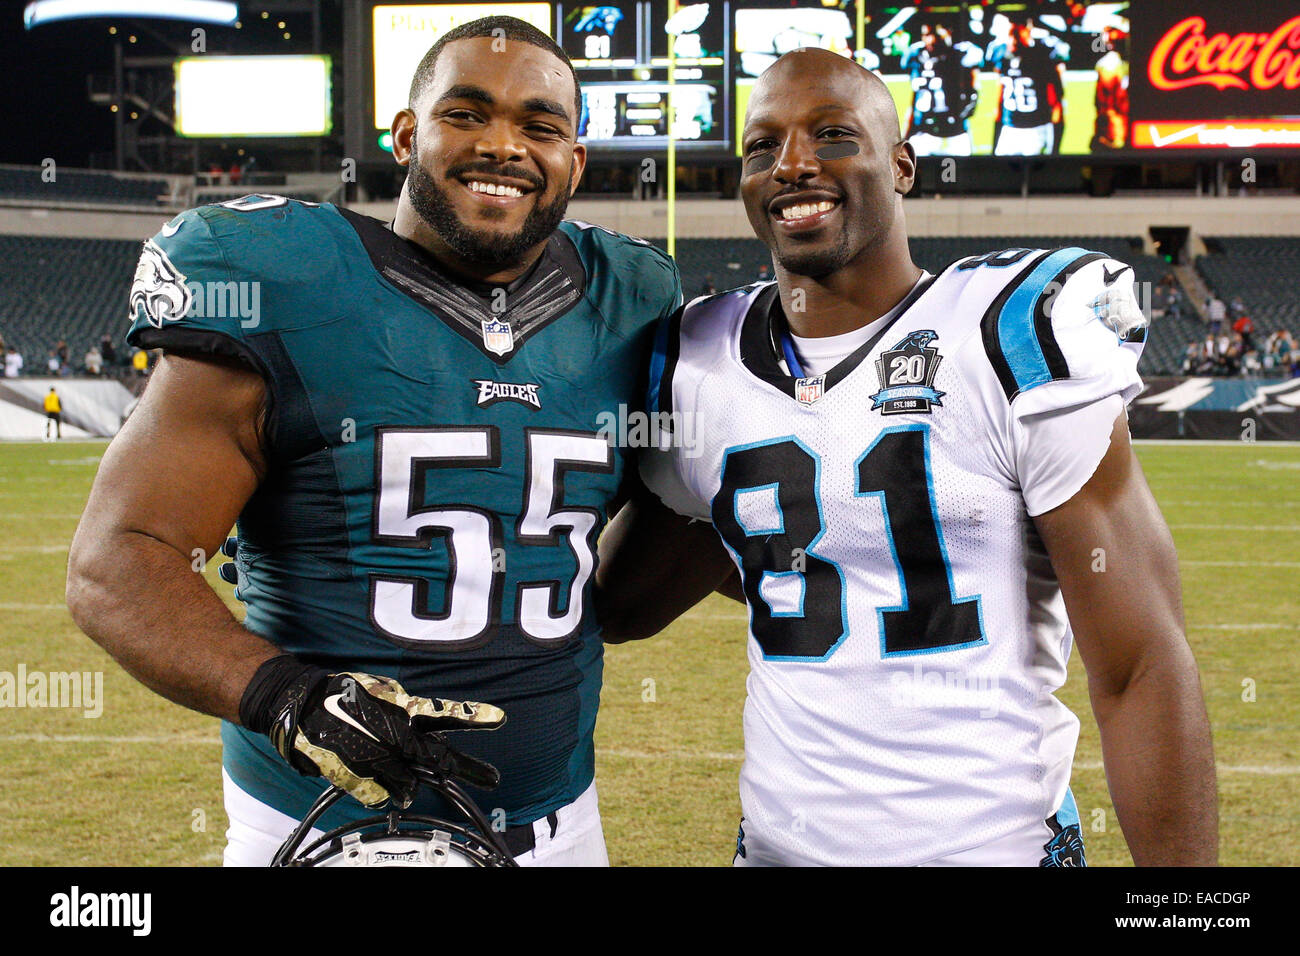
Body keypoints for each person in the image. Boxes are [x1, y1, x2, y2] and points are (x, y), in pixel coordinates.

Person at [66, 16, 681, 867]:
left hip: (561, 825)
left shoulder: (632, 300)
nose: (504, 145)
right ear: (405, 136)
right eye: (466, 114)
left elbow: (649, 556)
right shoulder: (283, 278)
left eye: (540, 126)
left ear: (575, 161)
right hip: (317, 825)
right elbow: (117, 559)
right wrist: (288, 697)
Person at [596, 48, 1217, 866]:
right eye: (761, 147)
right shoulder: (703, 361)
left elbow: (1140, 664)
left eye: (833, 135)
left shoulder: (1008, 332)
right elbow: (623, 606)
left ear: (903, 167)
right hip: (779, 851)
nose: (792, 164)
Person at [988, 18, 1067, 156]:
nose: (1012, 41)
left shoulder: (1042, 56)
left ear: (1027, 31)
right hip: (1009, 129)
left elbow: (1056, 104)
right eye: (1010, 35)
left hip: (1036, 129)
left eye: (1015, 34)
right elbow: (999, 101)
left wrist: (1055, 149)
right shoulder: (1002, 54)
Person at [901, 23, 981, 157]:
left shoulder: (959, 56)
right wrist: (906, 134)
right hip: (925, 131)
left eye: (936, 35)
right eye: (926, 35)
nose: (931, 40)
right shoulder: (916, 57)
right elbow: (915, 99)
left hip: (955, 132)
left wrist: (962, 114)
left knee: (956, 174)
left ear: (947, 34)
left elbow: (972, 91)